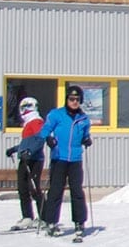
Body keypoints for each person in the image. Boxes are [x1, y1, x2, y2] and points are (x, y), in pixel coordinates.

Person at [37, 85, 94, 237]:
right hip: (59, 157)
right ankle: (51, 221)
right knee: (56, 190)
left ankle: (79, 222)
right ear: (66, 99)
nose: (74, 102)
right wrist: (48, 138)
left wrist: (87, 139)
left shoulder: (84, 119)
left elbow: (85, 135)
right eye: (71, 99)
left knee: (77, 191)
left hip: (75, 159)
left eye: (77, 99)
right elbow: (44, 130)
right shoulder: (57, 114)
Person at [2, 97, 47, 230]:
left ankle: (44, 217)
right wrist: (15, 149)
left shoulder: (36, 121)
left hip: (34, 160)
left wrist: (29, 151)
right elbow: (27, 142)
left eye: (25, 107)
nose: (23, 111)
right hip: (25, 158)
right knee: (23, 188)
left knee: (34, 188)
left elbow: (40, 140)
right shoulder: (29, 123)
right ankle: (27, 216)